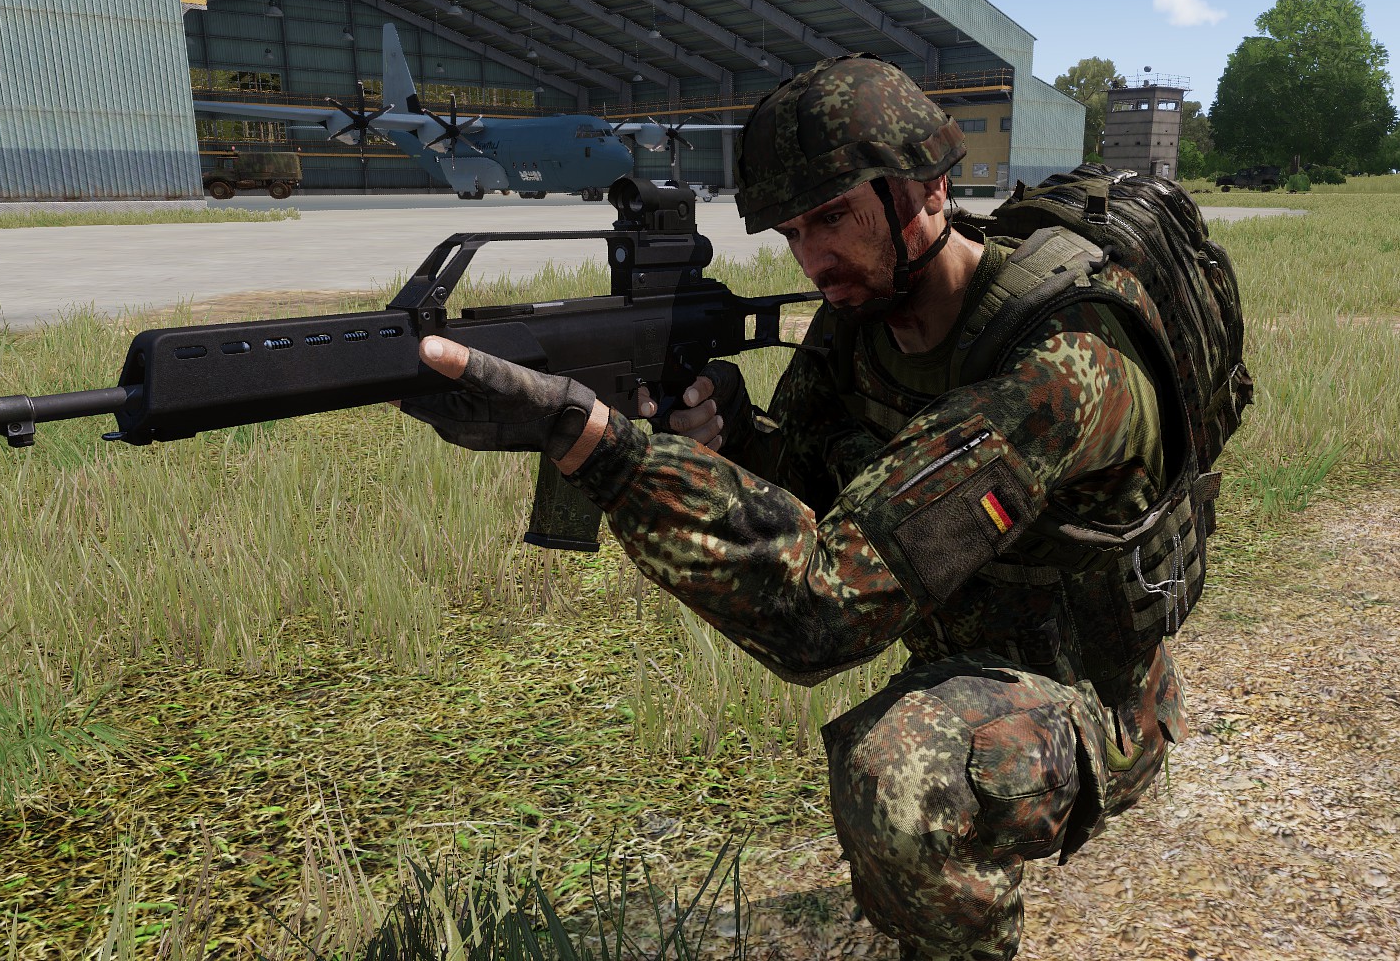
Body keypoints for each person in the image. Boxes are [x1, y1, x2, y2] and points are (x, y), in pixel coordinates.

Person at [404, 54, 1195, 961]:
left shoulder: (1060, 365)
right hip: (966, 651)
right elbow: (824, 498)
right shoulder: (865, 314)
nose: (813, 258)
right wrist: (734, 435)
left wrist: (607, 452)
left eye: (833, 218)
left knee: (897, 778)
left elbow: (827, 610)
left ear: (929, 191)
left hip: (1097, 696)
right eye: (791, 231)